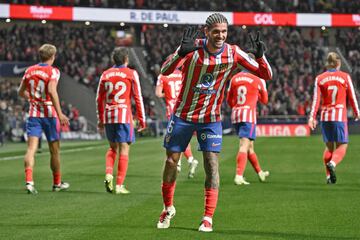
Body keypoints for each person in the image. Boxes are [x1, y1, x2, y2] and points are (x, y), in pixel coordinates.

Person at [156, 13, 272, 232]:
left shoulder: (233, 52)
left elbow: (266, 75)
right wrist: (180, 52)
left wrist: (261, 57)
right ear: (206, 31)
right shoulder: (191, 48)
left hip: (211, 119)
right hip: (183, 115)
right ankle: (168, 208)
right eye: (216, 31)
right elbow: (165, 71)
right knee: (172, 162)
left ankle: (207, 217)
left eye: (224, 31)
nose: (221, 35)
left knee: (211, 164)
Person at [17, 43, 70, 194]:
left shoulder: (29, 70)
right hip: (50, 116)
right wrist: (60, 114)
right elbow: (52, 92)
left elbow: (20, 92)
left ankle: (29, 182)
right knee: (54, 151)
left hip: (34, 115)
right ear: (53, 57)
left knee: (31, 149)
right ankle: (57, 184)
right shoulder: (53, 72)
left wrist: (32, 98)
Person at [96, 47, 146, 194]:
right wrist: (142, 120)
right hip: (124, 115)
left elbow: (99, 99)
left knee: (112, 148)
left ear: (113, 60)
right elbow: (138, 98)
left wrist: (100, 118)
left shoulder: (105, 74)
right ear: (126, 59)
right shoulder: (131, 74)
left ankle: (109, 174)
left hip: (109, 115)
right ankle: (119, 185)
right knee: (124, 148)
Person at [308, 52, 359, 184]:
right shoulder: (345, 77)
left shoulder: (319, 78)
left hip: (325, 116)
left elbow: (316, 100)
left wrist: (312, 117)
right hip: (339, 116)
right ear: (339, 63)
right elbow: (352, 97)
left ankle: (328, 177)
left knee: (329, 147)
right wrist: (356, 111)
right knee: (342, 145)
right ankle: (332, 164)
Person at [226, 55, 270, 185]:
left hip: (236, 114)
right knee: (244, 145)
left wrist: (238, 106)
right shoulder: (258, 79)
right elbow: (265, 100)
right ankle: (239, 176)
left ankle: (260, 172)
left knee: (250, 147)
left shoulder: (234, 78)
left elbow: (229, 100)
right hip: (248, 115)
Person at [155, 68, 199, 178]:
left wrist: (168, 93)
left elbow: (158, 94)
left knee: (175, 136)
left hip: (172, 109)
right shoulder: (183, 74)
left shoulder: (163, 76)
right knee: (181, 135)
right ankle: (184, 161)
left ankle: (187, 160)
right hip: (184, 107)